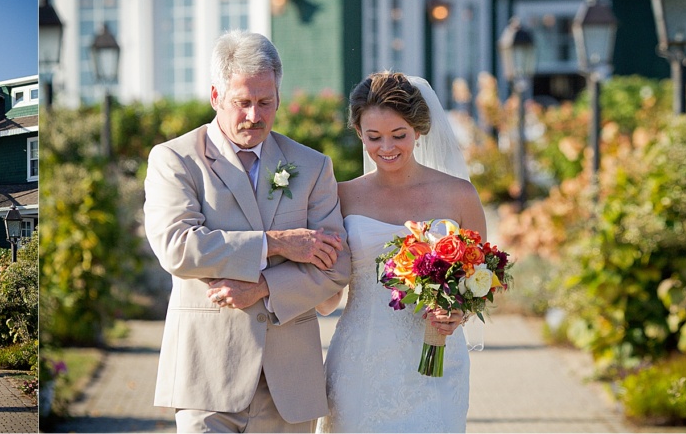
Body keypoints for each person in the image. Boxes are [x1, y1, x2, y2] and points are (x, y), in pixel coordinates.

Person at [143, 30, 351, 433]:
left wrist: (263, 288)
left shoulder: (312, 166)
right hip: (206, 377)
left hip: (290, 385)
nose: (255, 116)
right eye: (242, 103)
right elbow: (177, 247)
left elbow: (336, 265)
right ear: (215, 96)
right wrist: (278, 244)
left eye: (265, 102)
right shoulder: (176, 159)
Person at [316, 72, 486, 433]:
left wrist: (456, 312)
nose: (386, 147)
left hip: (437, 362)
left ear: (419, 130)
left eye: (399, 135)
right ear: (359, 133)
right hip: (360, 363)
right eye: (373, 137)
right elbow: (326, 295)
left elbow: (479, 282)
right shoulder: (340, 196)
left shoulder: (459, 196)